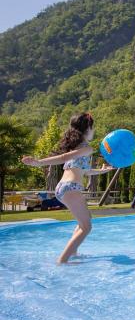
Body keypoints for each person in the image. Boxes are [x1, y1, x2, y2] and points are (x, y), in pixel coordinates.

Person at [22, 112, 114, 264]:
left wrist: (103, 170)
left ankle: (74, 253)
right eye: (93, 127)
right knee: (86, 227)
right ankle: (62, 261)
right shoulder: (87, 149)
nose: (94, 131)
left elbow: (84, 171)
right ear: (88, 129)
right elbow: (64, 158)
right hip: (71, 188)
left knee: (83, 222)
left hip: (64, 188)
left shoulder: (80, 149)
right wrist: (38, 162)